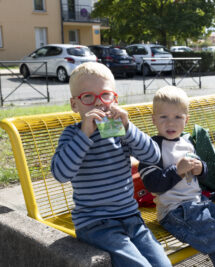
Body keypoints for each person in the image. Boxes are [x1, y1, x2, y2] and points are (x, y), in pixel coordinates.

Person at [51, 62, 172, 267]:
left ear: (114, 99)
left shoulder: (118, 130)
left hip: (132, 219)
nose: (98, 103)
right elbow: (61, 173)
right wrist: (85, 134)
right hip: (95, 225)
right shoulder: (73, 135)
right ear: (75, 105)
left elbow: (153, 156)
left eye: (105, 95)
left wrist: (128, 127)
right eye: (88, 97)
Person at [138, 86, 215, 267]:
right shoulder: (152, 148)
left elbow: (202, 177)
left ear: (185, 120)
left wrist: (201, 169)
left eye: (177, 117)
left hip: (199, 203)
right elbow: (153, 184)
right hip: (175, 211)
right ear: (154, 119)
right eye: (164, 117)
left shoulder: (187, 142)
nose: (171, 123)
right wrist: (177, 171)